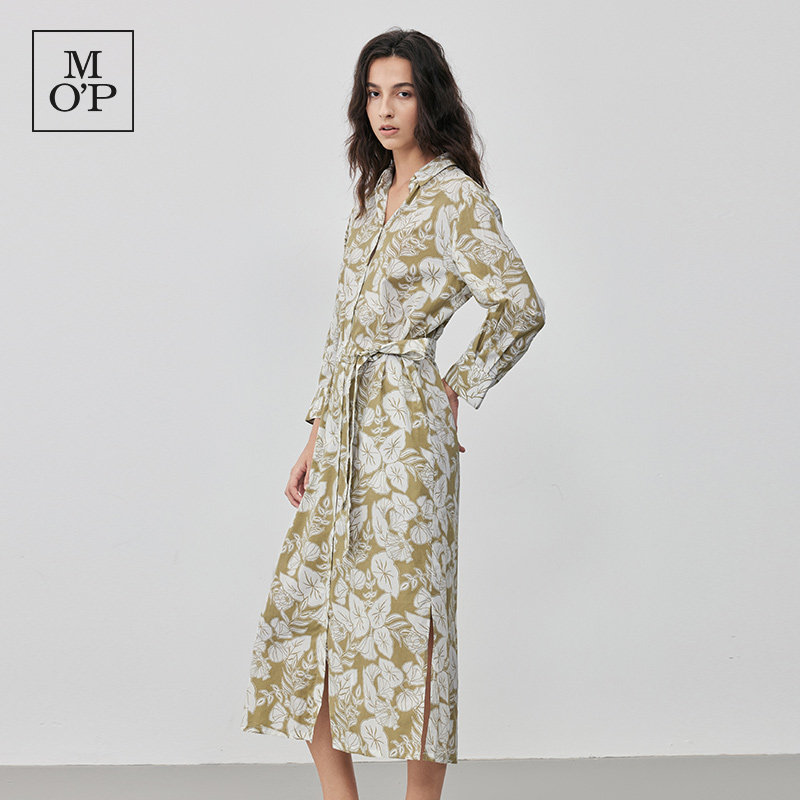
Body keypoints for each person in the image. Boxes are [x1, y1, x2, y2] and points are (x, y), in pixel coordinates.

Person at [242, 27, 546, 800]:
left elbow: (520, 305)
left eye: (402, 93)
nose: (386, 109)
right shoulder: (372, 199)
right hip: (343, 430)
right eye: (374, 94)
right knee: (307, 614)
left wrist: (456, 384)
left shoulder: (457, 199)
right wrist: (315, 436)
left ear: (428, 100)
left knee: (412, 622)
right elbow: (343, 328)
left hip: (407, 432)